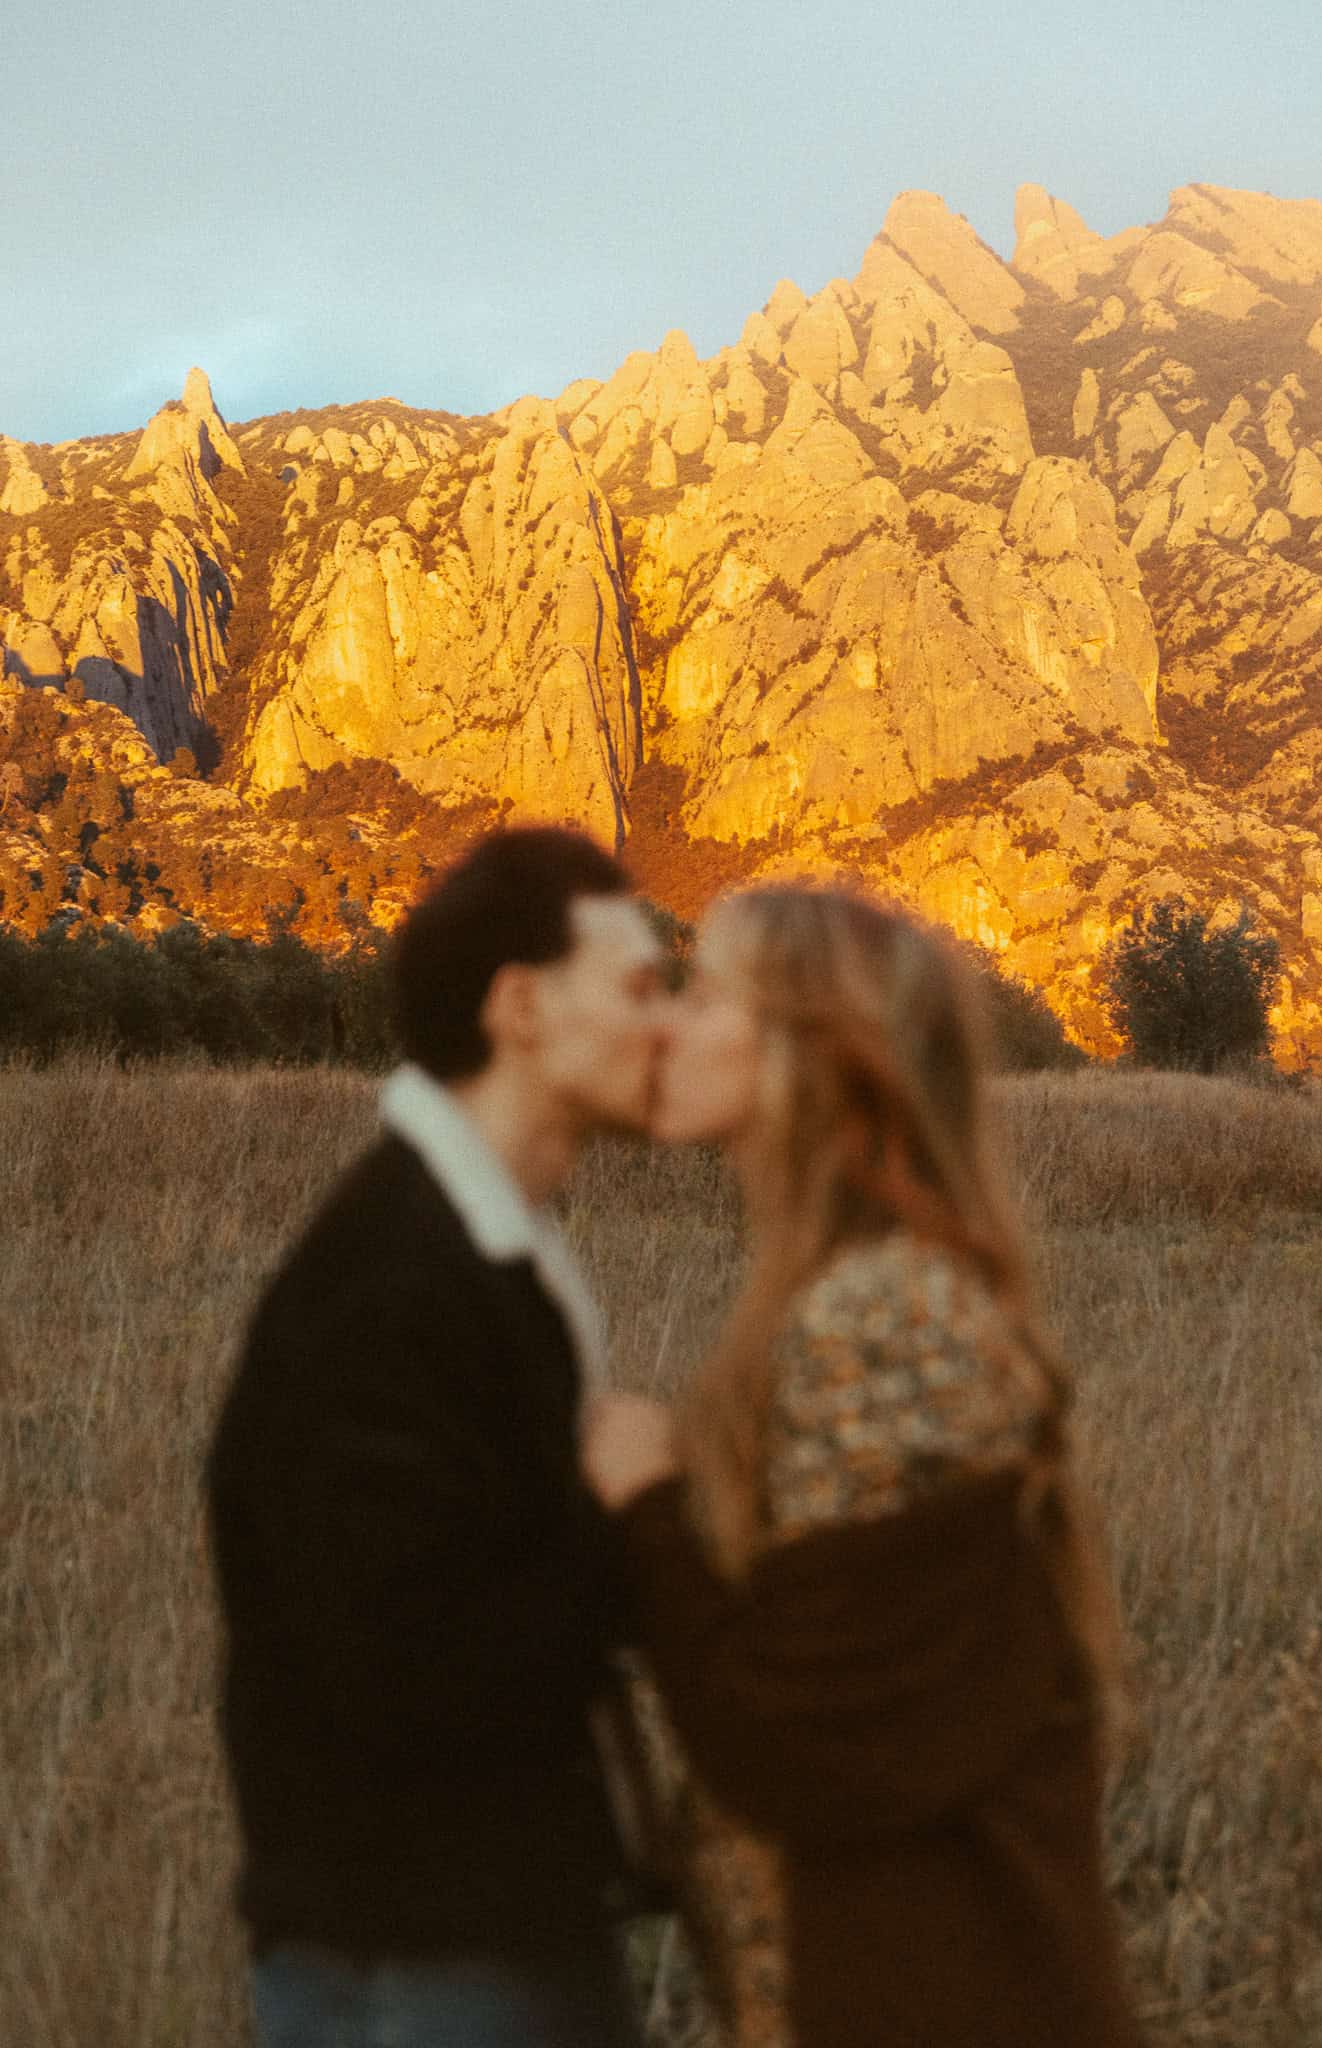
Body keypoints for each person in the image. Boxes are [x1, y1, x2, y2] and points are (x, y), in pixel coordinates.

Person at [583, 885, 1144, 2048]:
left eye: (704, 994)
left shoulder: (883, 1318)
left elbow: (801, 1740)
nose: (666, 1025)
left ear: (813, 1050)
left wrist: (644, 1502)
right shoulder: (860, 1296)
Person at [207, 826, 667, 2048]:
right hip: (418, 1965)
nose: (664, 1022)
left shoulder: (480, 1247)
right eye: (636, 985)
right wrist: (624, 1518)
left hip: (475, 1935)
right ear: (520, 1007)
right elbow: (403, 1665)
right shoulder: (393, 1284)